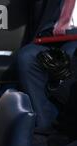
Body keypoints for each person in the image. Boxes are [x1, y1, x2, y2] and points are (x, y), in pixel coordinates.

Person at [18, 0, 77, 130]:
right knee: (27, 57)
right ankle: (44, 126)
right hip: (53, 34)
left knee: (71, 57)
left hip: (74, 41)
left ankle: (67, 129)